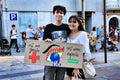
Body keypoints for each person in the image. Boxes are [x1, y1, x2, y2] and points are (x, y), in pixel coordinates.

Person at [43, 5, 70, 80]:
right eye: (57, 12)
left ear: (64, 15)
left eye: (61, 13)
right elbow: (44, 41)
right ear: (54, 14)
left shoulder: (67, 27)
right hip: (50, 57)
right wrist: (46, 41)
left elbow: (73, 36)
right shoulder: (48, 27)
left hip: (62, 57)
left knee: (60, 78)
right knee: (49, 77)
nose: (59, 14)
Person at [66, 15, 92, 80]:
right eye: (70, 22)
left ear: (78, 24)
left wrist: (76, 67)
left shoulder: (82, 34)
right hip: (69, 63)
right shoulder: (68, 34)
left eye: (74, 22)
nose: (71, 24)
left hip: (78, 64)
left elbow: (83, 52)